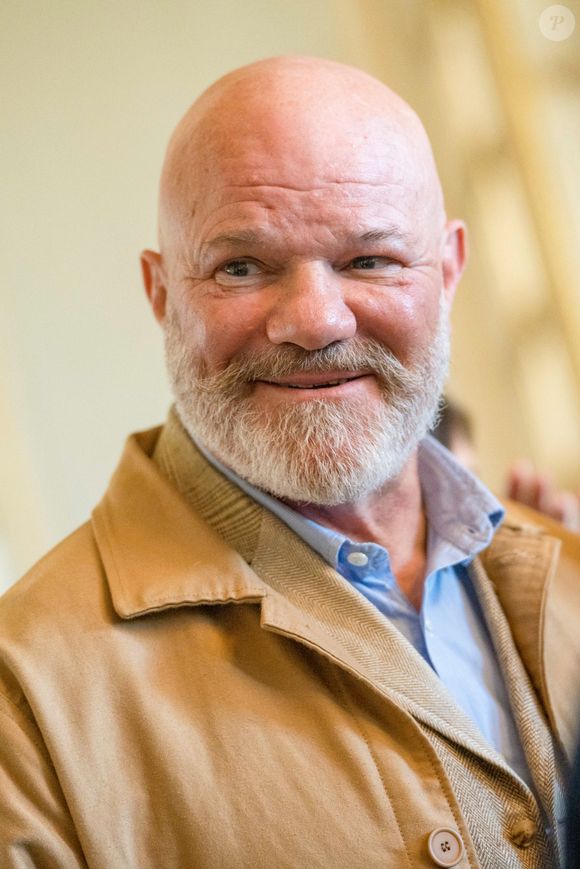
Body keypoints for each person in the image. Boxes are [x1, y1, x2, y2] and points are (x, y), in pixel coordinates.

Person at [1, 56, 579, 869]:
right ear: (161, 293)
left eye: (370, 260)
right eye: (241, 267)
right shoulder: (25, 704)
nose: (314, 321)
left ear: (448, 270)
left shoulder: (565, 574)